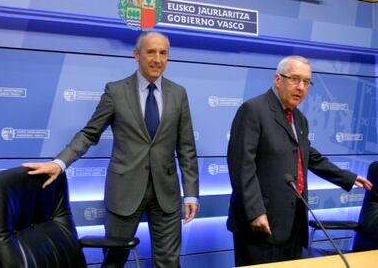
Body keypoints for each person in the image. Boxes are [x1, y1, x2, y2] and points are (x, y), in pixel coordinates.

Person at [23, 31, 199, 268]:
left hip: (166, 194)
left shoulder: (178, 94)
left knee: (168, 262)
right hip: (124, 192)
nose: (157, 59)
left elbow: (186, 147)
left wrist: (190, 193)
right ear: (136, 55)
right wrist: (59, 163)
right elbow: (89, 133)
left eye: (163, 53)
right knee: (114, 261)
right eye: (151, 52)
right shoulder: (116, 92)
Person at [226, 55, 373, 266]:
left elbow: (307, 154)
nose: (301, 87)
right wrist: (255, 212)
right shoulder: (253, 110)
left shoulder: (299, 118)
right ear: (278, 79)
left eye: (306, 82)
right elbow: (241, 165)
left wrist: (348, 177)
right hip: (261, 223)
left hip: (293, 222)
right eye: (295, 79)